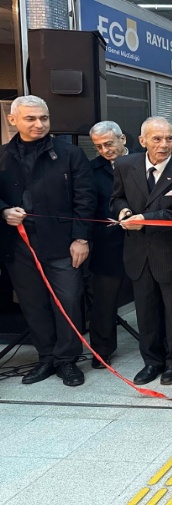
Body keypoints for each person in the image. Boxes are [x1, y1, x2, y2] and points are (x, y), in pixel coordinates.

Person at [0, 95, 94, 387]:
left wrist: (81, 238)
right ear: (12, 120)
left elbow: (85, 199)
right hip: (19, 245)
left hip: (62, 242)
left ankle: (67, 360)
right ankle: (46, 358)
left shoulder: (69, 154)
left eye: (44, 118)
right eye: (31, 118)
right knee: (33, 303)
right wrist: (3, 211)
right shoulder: (2, 154)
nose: (39, 124)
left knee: (67, 301)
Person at [111, 116, 172, 386]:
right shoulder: (125, 165)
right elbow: (117, 197)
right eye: (157, 139)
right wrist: (123, 211)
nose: (164, 144)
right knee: (146, 312)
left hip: (171, 251)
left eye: (169, 138)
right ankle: (151, 361)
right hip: (138, 252)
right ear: (142, 141)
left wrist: (145, 219)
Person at [87, 121, 131, 368]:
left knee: (151, 299)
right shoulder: (91, 169)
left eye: (109, 143)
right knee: (103, 303)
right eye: (99, 146)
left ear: (122, 138)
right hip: (107, 243)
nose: (105, 150)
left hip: (142, 240)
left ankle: (157, 348)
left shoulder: (142, 161)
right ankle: (102, 351)